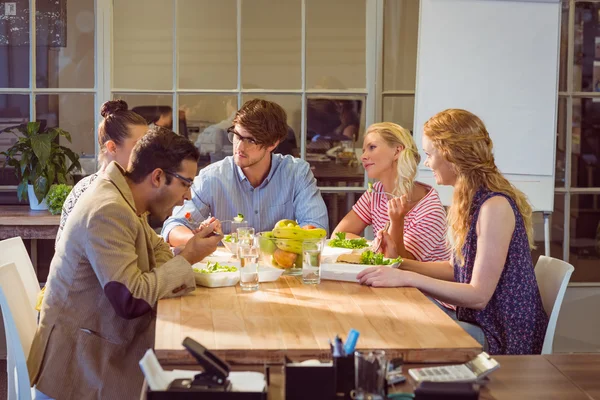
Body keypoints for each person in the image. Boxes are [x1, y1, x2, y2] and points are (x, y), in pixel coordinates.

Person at [28, 127, 222, 399]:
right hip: (77, 368)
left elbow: (159, 254)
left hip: (103, 345)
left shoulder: (127, 198)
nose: (188, 196)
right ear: (157, 177)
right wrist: (188, 257)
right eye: (186, 183)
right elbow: (130, 300)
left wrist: (188, 252)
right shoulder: (108, 209)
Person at [357, 109, 548, 355]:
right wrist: (398, 264)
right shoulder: (470, 199)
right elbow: (454, 268)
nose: (426, 162)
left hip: (502, 335)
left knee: (396, 330)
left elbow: (478, 296)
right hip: (482, 323)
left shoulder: (495, 206)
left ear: (450, 154)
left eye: (429, 154)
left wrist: (405, 277)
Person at [162, 99, 328, 246]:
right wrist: (200, 240)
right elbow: (173, 227)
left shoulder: (296, 173)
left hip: (281, 270)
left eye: (250, 140)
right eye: (237, 136)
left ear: (273, 144)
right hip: (228, 273)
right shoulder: (212, 177)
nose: (239, 147)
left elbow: (317, 229)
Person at [333, 122, 450, 262]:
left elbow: (402, 264)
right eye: (364, 150)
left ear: (397, 151)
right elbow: (339, 235)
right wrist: (374, 246)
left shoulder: (430, 210)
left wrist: (396, 222)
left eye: (372, 147)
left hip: (420, 283)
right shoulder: (375, 193)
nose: (363, 156)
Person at [55, 100, 148, 246]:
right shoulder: (92, 194)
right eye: (139, 145)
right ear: (112, 147)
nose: (147, 152)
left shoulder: (129, 188)